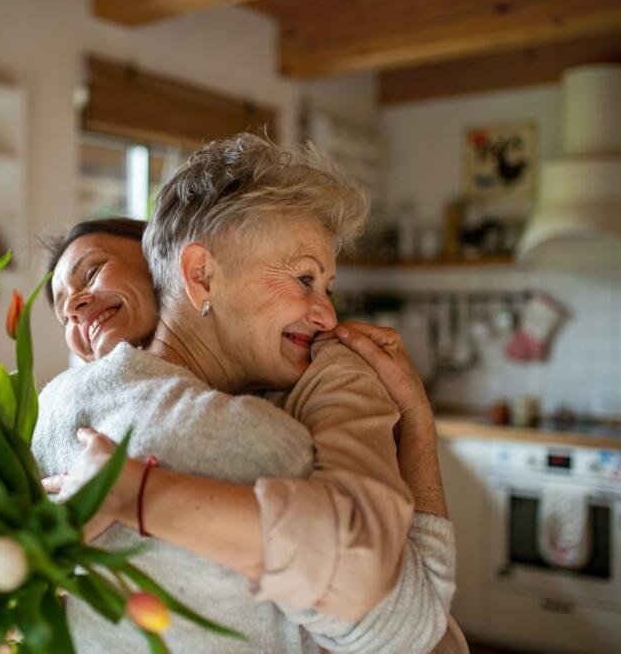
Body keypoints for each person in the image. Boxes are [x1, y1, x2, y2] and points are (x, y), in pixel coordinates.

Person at [34, 135, 464, 653]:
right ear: (199, 275)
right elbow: (419, 631)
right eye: (304, 277)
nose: (328, 315)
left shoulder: (53, 408)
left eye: (325, 287)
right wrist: (410, 422)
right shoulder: (245, 442)